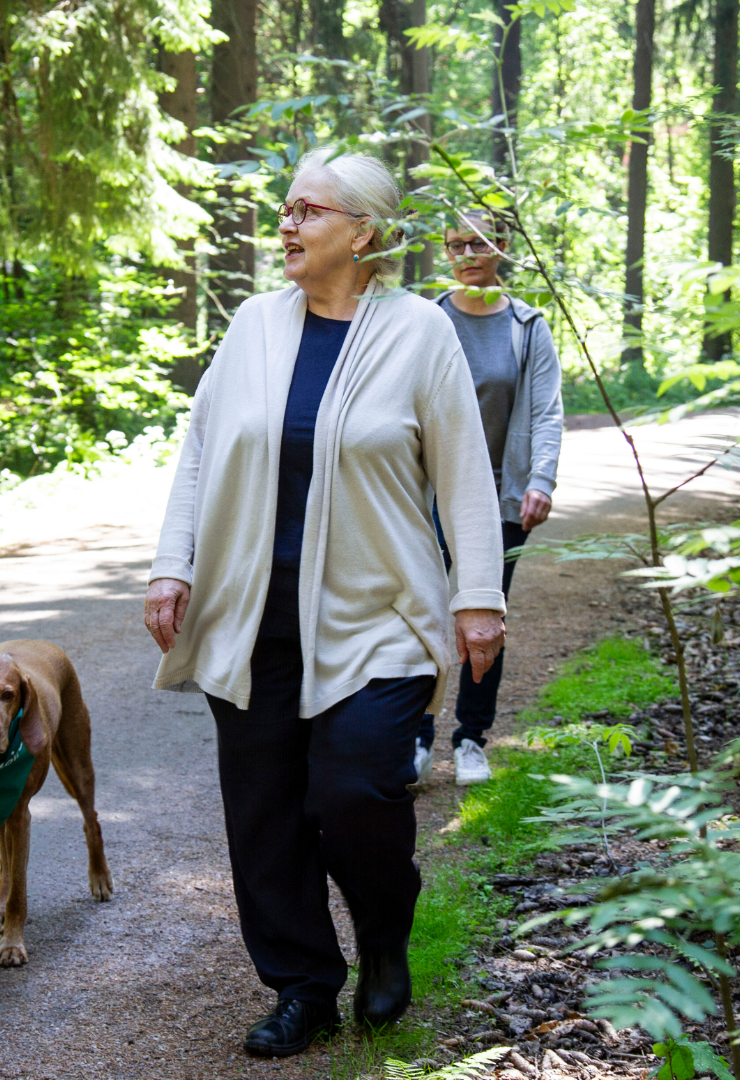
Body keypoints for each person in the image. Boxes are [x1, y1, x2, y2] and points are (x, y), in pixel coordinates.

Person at [142, 148, 507, 1058]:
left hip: (378, 614)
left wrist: (480, 598)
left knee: (353, 792)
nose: (288, 226)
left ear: (364, 232)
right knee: (263, 811)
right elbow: (199, 451)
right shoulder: (255, 325)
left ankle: (384, 932)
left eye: (307, 211)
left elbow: (465, 473)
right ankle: (303, 985)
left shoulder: (420, 333)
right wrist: (171, 565)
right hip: (250, 609)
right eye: (286, 210)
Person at [414, 213, 564, 787]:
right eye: (454, 245)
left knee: (484, 618)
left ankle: (472, 739)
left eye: (477, 243)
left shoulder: (528, 327)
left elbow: (547, 411)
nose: (466, 254)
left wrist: (541, 480)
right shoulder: (428, 319)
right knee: (424, 612)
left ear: (501, 246)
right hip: (424, 493)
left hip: (499, 497)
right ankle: (417, 737)